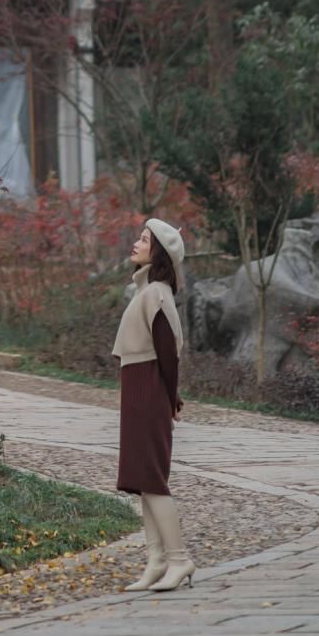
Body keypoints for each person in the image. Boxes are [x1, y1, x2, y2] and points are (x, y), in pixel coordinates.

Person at [112, 216, 195, 592]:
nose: (136, 243)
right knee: (144, 482)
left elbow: (168, 355)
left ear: (158, 252)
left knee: (154, 482)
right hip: (138, 391)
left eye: (144, 240)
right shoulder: (146, 292)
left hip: (148, 393)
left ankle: (179, 559)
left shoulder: (157, 294)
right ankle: (157, 560)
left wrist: (171, 398)